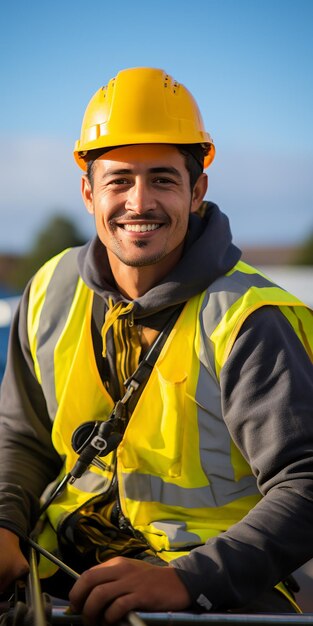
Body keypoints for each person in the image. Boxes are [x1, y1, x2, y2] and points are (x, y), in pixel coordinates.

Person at [0, 67, 312, 625]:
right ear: (88, 190)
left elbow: (307, 483)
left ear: (197, 191)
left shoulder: (251, 319)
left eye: (163, 180)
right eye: (119, 180)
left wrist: (188, 581)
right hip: (57, 570)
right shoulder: (49, 289)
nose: (138, 202)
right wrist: (3, 524)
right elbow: (21, 436)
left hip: (217, 590)